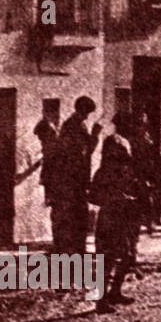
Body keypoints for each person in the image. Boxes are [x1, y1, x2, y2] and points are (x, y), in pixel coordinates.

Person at [89, 112, 146, 313]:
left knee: (127, 253)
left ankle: (114, 292)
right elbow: (117, 174)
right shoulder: (116, 142)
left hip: (123, 204)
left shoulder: (124, 142)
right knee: (110, 254)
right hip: (115, 205)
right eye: (139, 124)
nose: (142, 128)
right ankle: (101, 299)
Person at [49, 96, 101, 255]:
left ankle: (75, 249)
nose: (87, 116)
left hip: (76, 179)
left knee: (78, 215)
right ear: (81, 110)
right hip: (71, 179)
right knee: (72, 215)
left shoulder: (78, 125)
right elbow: (81, 153)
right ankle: (68, 250)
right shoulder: (73, 126)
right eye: (86, 112)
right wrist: (95, 136)